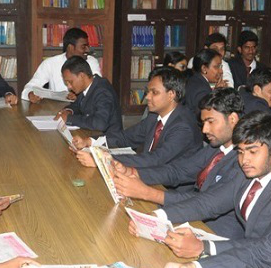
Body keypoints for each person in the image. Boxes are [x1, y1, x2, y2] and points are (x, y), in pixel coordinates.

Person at [151, 111, 271, 259]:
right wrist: (157, 216)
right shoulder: (248, 173)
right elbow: (208, 203)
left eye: (252, 152)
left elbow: (267, 246)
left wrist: (204, 247)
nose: (244, 161)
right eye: (241, 152)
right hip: (243, 254)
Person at [113, 88, 245, 238]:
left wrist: (147, 193)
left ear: (233, 119)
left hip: (216, 234)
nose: (205, 130)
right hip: (192, 219)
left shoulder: (244, 160)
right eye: (203, 123)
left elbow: (206, 202)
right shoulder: (218, 148)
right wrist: (133, 172)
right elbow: (178, 171)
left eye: (210, 121)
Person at [72, 67, 203, 169]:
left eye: (154, 92)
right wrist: (89, 141)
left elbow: (155, 159)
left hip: (169, 189)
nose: (147, 97)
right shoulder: (154, 116)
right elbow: (126, 137)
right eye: (148, 91)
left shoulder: (183, 126)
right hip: (150, 173)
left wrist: (102, 160)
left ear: (171, 95)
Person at [22, 27, 102, 102]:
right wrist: (30, 94)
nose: (87, 50)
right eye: (83, 47)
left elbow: (96, 88)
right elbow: (30, 86)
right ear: (70, 47)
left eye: (88, 46)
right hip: (55, 111)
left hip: (83, 110)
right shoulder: (50, 63)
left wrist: (79, 95)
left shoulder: (91, 62)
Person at [53, 56, 122, 134]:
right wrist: (68, 111)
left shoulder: (103, 92)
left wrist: (69, 118)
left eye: (70, 82)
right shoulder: (85, 87)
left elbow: (100, 123)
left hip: (109, 142)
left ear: (82, 76)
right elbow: (77, 106)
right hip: (91, 135)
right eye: (67, 83)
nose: (69, 87)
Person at [184, 49, 223, 115]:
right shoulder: (201, 90)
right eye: (217, 67)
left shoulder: (195, 80)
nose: (221, 71)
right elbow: (205, 117)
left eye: (221, 66)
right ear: (204, 69)